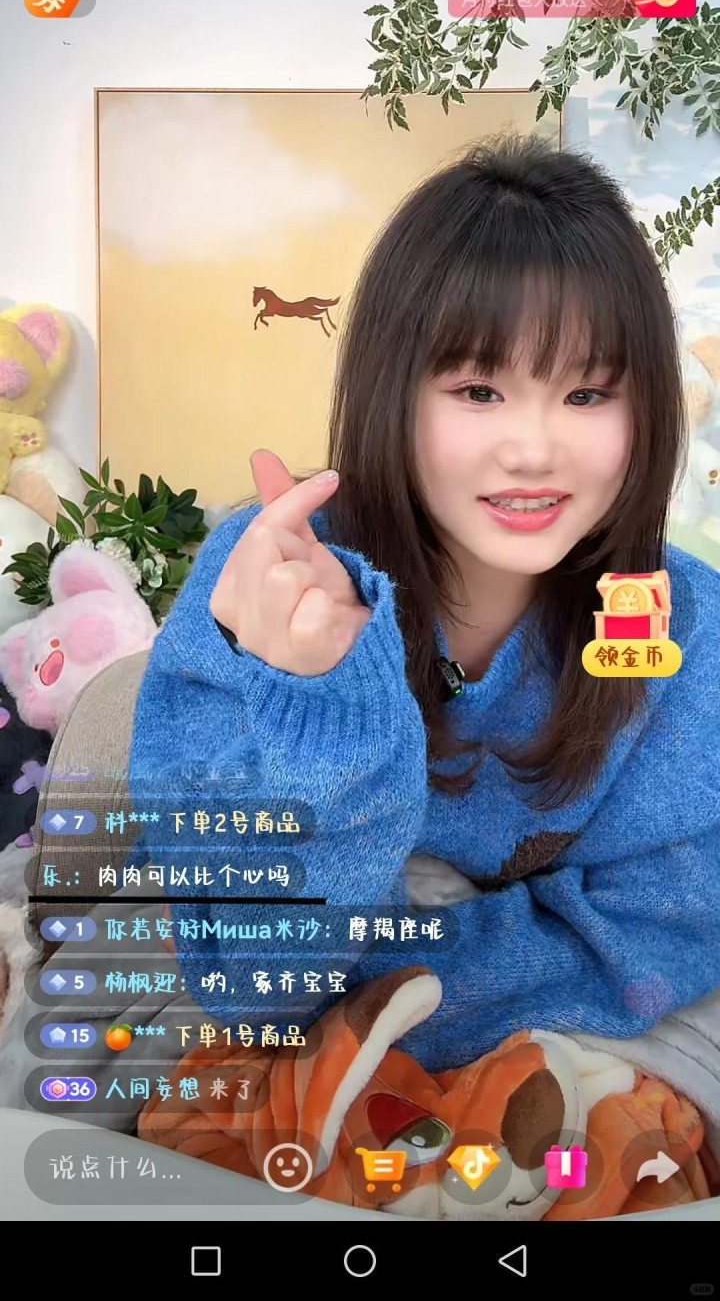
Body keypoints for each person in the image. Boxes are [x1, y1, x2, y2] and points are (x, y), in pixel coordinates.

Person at [128, 134, 720, 1072]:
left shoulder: (686, 628)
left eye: (588, 394)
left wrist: (394, 989)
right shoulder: (266, 581)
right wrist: (320, 707)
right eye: (479, 390)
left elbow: (669, 923)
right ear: (392, 392)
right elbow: (251, 980)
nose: (533, 451)